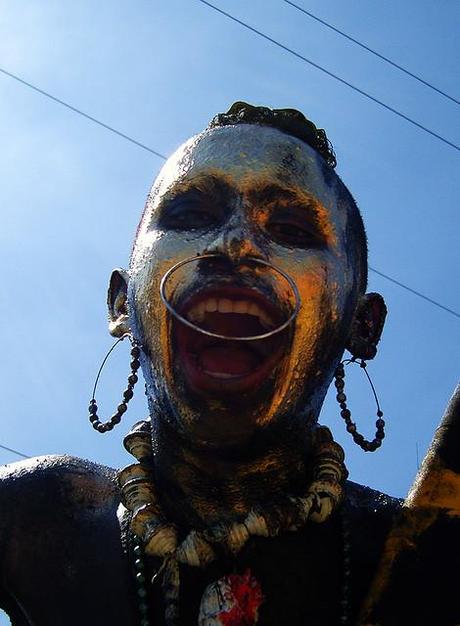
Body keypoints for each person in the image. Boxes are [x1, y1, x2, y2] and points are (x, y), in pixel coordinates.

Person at [0, 102, 458, 626]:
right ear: (122, 302)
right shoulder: (35, 516)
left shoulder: (426, 560)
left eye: (291, 227)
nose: (235, 242)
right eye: (191, 216)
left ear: (362, 324)